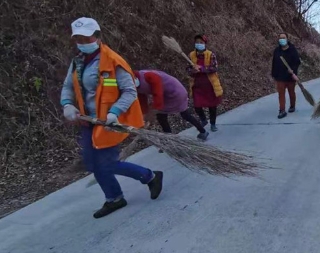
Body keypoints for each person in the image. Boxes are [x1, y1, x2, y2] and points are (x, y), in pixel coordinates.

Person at [61, 17, 163, 219]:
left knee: (107, 164)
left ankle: (148, 176)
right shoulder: (77, 62)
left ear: (98, 37)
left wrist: (114, 112)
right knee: (92, 163)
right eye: (78, 39)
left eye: (86, 37)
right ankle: (115, 197)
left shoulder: (114, 61)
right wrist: (67, 104)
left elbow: (129, 91)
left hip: (109, 123)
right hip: (88, 121)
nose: (82, 42)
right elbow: (68, 87)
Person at [133, 69, 209, 140]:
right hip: (167, 95)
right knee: (171, 116)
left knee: (167, 115)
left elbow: (158, 96)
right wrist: (143, 118)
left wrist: (150, 116)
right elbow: (142, 101)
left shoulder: (149, 76)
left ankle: (171, 140)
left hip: (175, 93)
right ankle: (172, 140)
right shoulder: (134, 86)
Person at [188, 35, 223, 132]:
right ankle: (203, 119)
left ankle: (213, 124)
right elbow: (188, 68)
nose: (199, 44)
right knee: (197, 105)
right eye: (197, 42)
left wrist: (202, 69)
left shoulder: (210, 54)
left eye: (201, 42)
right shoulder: (191, 55)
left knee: (212, 106)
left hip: (210, 85)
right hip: (197, 85)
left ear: (205, 44)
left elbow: (214, 68)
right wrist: (192, 71)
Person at [271, 33, 301, 119]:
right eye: (280, 38)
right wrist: (273, 74)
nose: (282, 40)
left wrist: (293, 70)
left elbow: (297, 62)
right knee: (281, 94)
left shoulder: (292, 49)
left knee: (291, 92)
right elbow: (274, 62)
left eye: (283, 38)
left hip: (290, 76)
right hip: (280, 76)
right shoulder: (277, 50)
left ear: (287, 39)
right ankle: (282, 110)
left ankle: (292, 106)